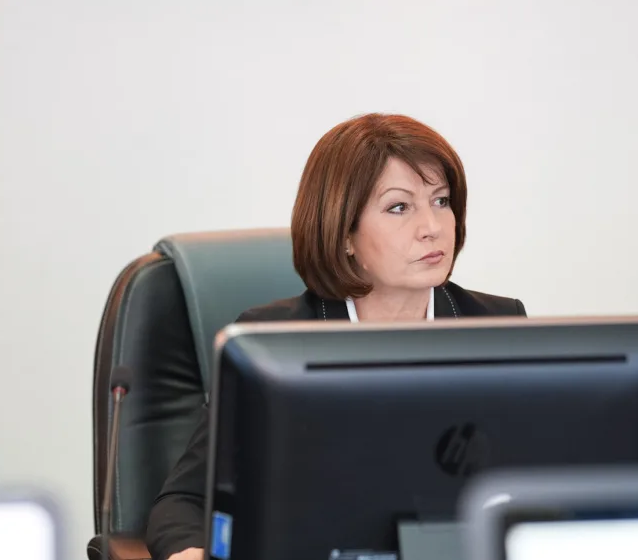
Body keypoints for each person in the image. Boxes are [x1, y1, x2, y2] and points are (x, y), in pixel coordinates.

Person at [146, 113, 527, 560]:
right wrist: (188, 552)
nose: (432, 226)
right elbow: (183, 503)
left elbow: (542, 487)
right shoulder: (275, 343)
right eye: (399, 207)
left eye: (441, 201)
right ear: (345, 234)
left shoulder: (497, 325)